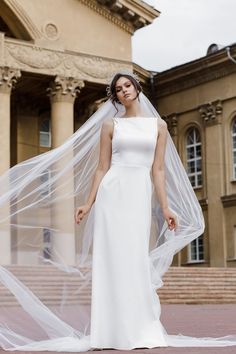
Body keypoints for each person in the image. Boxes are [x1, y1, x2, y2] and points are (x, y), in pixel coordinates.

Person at [0, 71, 235, 351]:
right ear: (115, 96)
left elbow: (157, 170)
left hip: (138, 194)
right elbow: (102, 167)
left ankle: (137, 328)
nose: (123, 91)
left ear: (136, 88)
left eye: (127, 85)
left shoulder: (158, 126)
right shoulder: (110, 125)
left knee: (134, 257)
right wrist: (88, 202)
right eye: (118, 89)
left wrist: (165, 206)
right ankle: (109, 331)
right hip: (113, 193)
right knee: (112, 259)